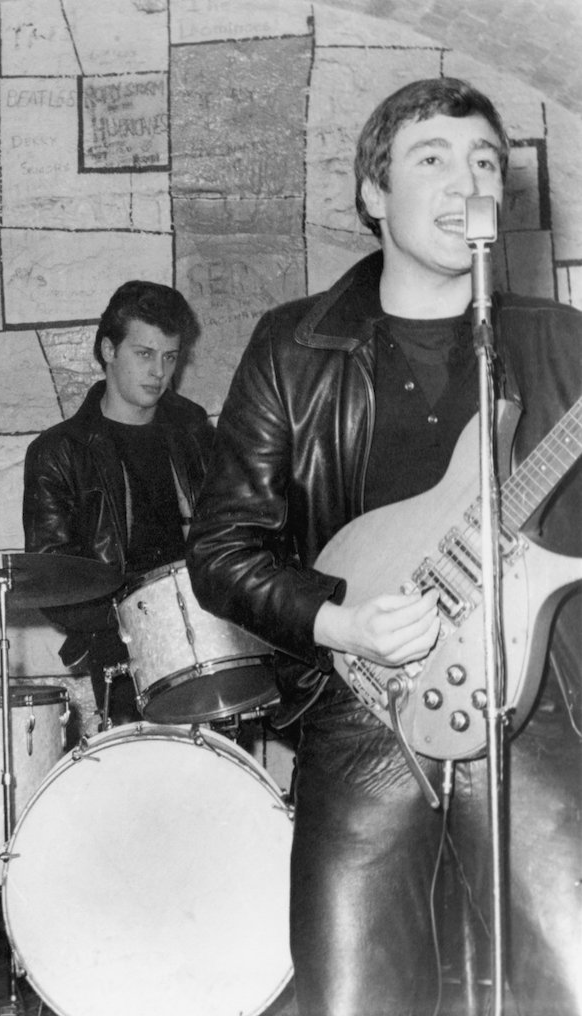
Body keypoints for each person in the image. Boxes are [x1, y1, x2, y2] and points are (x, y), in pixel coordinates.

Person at [187, 77, 582, 1016]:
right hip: (365, 715)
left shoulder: (561, 343)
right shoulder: (297, 348)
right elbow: (222, 546)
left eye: (485, 162)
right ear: (373, 192)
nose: (465, 182)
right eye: (431, 159)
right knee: (355, 999)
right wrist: (341, 621)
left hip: (537, 712)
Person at [23, 281, 214, 727]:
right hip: (121, 648)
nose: (159, 373)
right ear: (108, 350)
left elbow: (232, 527)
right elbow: (55, 584)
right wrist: (146, 615)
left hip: (208, 630)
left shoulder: (192, 429)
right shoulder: (60, 452)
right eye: (144, 354)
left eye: (170, 357)